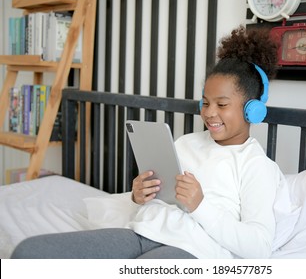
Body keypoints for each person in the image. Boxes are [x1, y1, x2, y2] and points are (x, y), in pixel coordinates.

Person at [11, 25, 284, 259]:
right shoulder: (186, 142)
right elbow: (157, 198)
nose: (210, 112)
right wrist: (139, 195)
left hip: (193, 249)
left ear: (252, 109)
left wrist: (200, 205)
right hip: (141, 233)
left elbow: (259, 248)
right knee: (29, 252)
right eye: (206, 102)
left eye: (222, 104)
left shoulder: (257, 165)